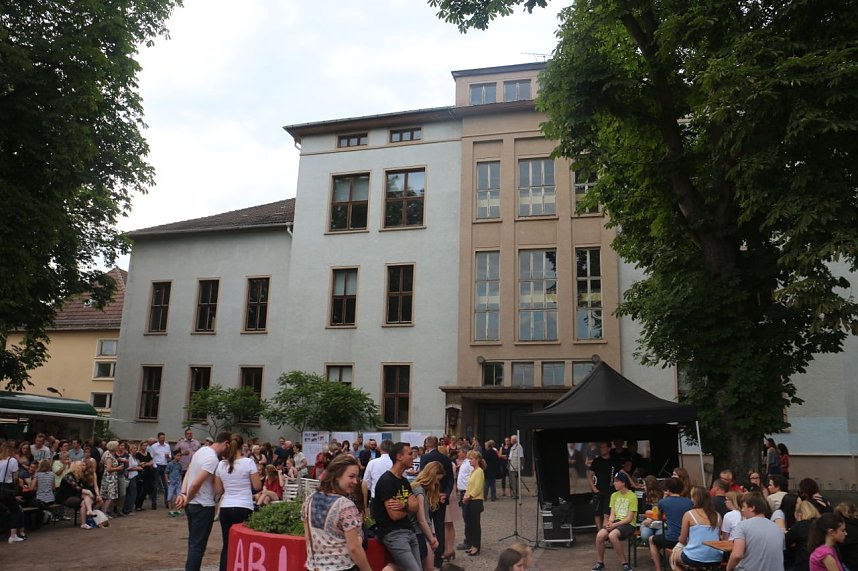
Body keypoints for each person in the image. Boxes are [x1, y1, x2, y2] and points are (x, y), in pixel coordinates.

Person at [301, 454, 372, 571]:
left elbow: (308, 537)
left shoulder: (310, 499)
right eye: (351, 476)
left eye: (357, 477)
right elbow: (354, 548)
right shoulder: (345, 506)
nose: (355, 481)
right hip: (342, 566)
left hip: (314, 566)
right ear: (337, 476)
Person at [175, 431, 231, 571]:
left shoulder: (201, 451)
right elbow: (196, 484)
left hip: (193, 505)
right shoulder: (212, 459)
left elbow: (189, 473)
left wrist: (183, 493)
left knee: (193, 543)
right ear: (226, 444)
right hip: (203, 505)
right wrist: (187, 498)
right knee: (198, 546)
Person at [371, 442, 421, 571]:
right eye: (409, 454)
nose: (413, 457)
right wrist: (409, 508)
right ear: (399, 457)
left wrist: (404, 505)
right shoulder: (387, 481)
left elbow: (416, 506)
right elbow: (395, 515)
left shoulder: (403, 481)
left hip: (409, 531)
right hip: (394, 533)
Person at [214, 433, 260, 571]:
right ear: (242, 446)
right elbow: (257, 486)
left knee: (227, 544)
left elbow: (218, 490)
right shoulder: (248, 462)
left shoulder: (221, 464)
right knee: (244, 543)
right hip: (244, 506)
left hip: (226, 506)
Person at [420, 435, 455, 568]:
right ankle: (439, 557)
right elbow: (451, 479)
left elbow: (423, 478)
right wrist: (445, 493)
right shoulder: (446, 458)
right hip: (441, 498)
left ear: (427, 445)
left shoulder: (425, 458)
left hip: (428, 497)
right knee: (440, 527)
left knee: (426, 525)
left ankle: (427, 554)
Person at [726, 493, 785, 571]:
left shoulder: (742, 526)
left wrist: (728, 568)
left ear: (752, 508)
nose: (742, 510)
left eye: (743, 506)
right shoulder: (778, 528)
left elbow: (737, 554)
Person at [592, 471, 637, 571]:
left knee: (612, 535)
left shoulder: (632, 496)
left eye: (616, 481)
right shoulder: (614, 495)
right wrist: (610, 522)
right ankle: (600, 563)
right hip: (616, 522)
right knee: (600, 535)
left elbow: (629, 518)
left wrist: (614, 525)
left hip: (628, 524)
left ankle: (625, 563)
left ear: (623, 483)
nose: (614, 483)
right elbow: (612, 514)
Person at [648, 477, 692, 571]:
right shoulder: (689, 502)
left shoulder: (663, 502)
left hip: (671, 538)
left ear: (668, 490)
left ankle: (658, 569)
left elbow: (659, 517)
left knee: (651, 539)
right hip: (687, 539)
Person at [675, 486, 722, 569]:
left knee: (673, 558)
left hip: (694, 557)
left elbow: (682, 540)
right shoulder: (717, 515)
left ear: (694, 499)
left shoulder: (689, 514)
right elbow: (717, 537)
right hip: (716, 557)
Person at [412, 461, 444, 571]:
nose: (437, 483)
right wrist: (432, 538)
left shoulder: (421, 490)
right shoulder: (419, 491)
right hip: (418, 533)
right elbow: (421, 519)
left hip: (421, 533)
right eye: (437, 479)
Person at [55, 460, 100, 530]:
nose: (83, 467)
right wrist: (90, 494)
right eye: (81, 465)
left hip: (73, 495)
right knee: (83, 502)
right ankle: (84, 522)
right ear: (76, 467)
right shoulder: (69, 476)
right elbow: (78, 488)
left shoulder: (78, 476)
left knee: (85, 499)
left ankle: (88, 515)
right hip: (64, 497)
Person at [785, 499, 821, 571]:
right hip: (820, 562)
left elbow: (786, 541)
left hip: (804, 563)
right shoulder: (821, 524)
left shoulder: (799, 526)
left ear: (799, 514)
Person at [588, 442, 617, 529]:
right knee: (597, 513)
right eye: (600, 447)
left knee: (607, 514)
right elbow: (589, 476)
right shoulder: (597, 461)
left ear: (609, 448)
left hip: (610, 491)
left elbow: (620, 473)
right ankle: (599, 532)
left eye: (603, 447)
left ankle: (605, 533)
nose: (601, 449)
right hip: (598, 491)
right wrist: (594, 489)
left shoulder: (613, 461)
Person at [462, 451, 485, 557]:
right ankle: (472, 544)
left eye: (471, 459)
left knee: (475, 524)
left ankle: (476, 546)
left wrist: (469, 496)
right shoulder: (473, 471)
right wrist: (465, 496)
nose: (469, 461)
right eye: (469, 459)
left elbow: (478, 487)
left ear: (477, 460)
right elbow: (470, 486)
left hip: (476, 501)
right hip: (469, 500)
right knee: (470, 523)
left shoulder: (479, 471)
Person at [150, 432, 172, 508]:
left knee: (166, 485)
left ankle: (166, 502)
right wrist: (154, 465)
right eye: (161, 438)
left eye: (163, 438)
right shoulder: (154, 446)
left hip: (165, 465)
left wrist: (168, 456)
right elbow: (151, 457)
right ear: (158, 438)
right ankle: (154, 502)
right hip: (157, 465)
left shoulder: (167, 446)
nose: (163, 439)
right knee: (155, 485)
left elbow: (170, 456)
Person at [100, 440, 121, 517]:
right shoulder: (109, 456)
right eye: (117, 446)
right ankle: (104, 513)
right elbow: (108, 469)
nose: (118, 447)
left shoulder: (112, 455)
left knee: (109, 496)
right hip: (109, 478)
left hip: (111, 477)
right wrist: (118, 468)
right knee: (110, 496)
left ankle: (104, 512)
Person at [508, 435, 524, 500]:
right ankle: (513, 493)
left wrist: (522, 465)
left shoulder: (519, 447)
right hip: (511, 466)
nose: (510, 440)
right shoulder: (512, 447)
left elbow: (521, 457)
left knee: (515, 482)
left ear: (514, 440)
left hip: (515, 467)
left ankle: (515, 494)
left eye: (511, 439)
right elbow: (510, 457)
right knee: (512, 481)